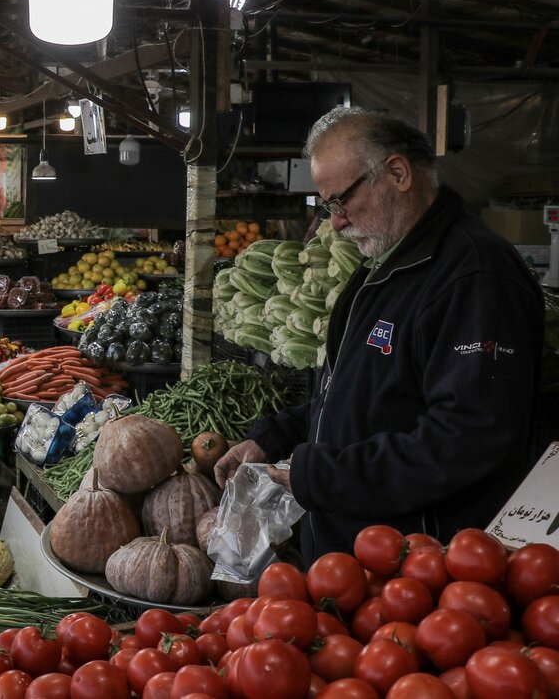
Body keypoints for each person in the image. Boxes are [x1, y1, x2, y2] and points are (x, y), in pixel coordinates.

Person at [213, 107, 545, 561]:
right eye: (327, 206)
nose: (335, 221)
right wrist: (274, 437)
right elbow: (363, 393)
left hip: (418, 565)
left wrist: (320, 475)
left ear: (397, 173)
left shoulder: (474, 275)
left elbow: (466, 438)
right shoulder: (387, 266)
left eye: (340, 200)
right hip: (361, 563)